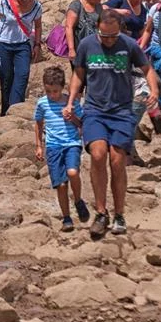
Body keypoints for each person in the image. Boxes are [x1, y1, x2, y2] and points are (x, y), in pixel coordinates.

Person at [64, 11, 158, 239]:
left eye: (112, 36)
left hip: (122, 111)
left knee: (117, 160)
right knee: (97, 155)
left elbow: (147, 69)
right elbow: (79, 74)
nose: (108, 41)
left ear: (120, 30)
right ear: (97, 29)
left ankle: (119, 213)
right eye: (104, 36)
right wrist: (71, 100)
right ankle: (101, 212)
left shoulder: (129, 45)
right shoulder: (87, 45)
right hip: (95, 110)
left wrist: (154, 91)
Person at [35, 66, 91, 232]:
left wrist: (72, 117)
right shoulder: (42, 103)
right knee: (60, 185)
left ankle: (78, 200)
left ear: (63, 88)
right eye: (49, 91)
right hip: (53, 146)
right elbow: (38, 123)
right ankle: (66, 218)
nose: (52, 95)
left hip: (71, 143)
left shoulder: (71, 102)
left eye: (56, 91)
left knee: (73, 172)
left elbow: (82, 124)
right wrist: (39, 145)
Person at [0, 0, 43, 116]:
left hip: (23, 44)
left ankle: (15, 109)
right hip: (3, 43)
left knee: (23, 74)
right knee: (6, 77)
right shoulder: (4, 3)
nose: (25, 0)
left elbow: (38, 25)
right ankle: (5, 110)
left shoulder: (36, 6)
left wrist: (37, 44)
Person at [65, 0, 107, 67]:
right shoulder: (76, 6)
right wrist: (71, 49)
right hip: (80, 51)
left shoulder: (99, 7)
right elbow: (69, 27)